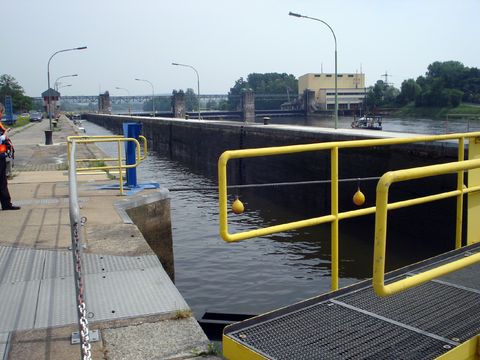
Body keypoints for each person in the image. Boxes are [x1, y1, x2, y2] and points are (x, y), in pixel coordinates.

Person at [0, 103, 20, 210]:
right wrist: (4, 136)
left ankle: (6, 204)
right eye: (2, 112)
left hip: (1, 156)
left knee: (3, 182)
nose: (2, 115)